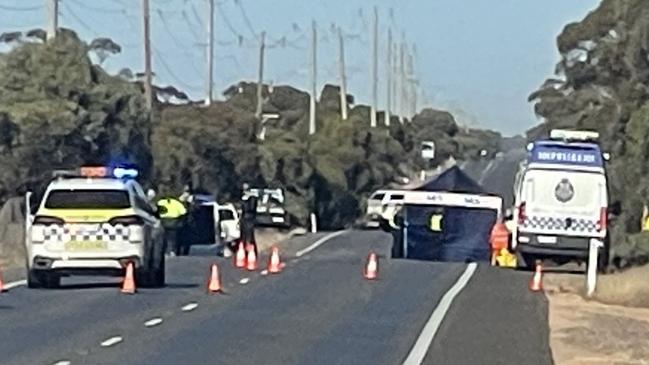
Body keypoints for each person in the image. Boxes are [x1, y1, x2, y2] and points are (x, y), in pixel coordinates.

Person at [240, 183, 258, 255]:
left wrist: (249, 215)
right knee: (244, 236)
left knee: (250, 236)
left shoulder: (251, 198)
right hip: (244, 219)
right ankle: (245, 252)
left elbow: (252, 209)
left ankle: (252, 252)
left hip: (249, 219)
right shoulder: (244, 197)